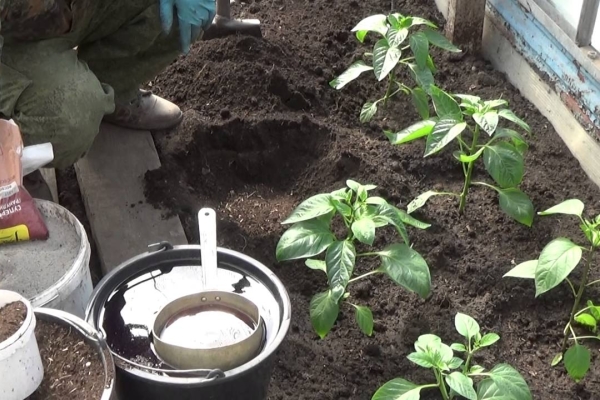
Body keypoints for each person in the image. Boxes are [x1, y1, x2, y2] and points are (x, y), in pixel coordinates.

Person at [0, 0, 216, 199]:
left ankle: (112, 90)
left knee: (170, 8)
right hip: (12, 38)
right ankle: (12, 156)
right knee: (71, 117)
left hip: (73, 10)